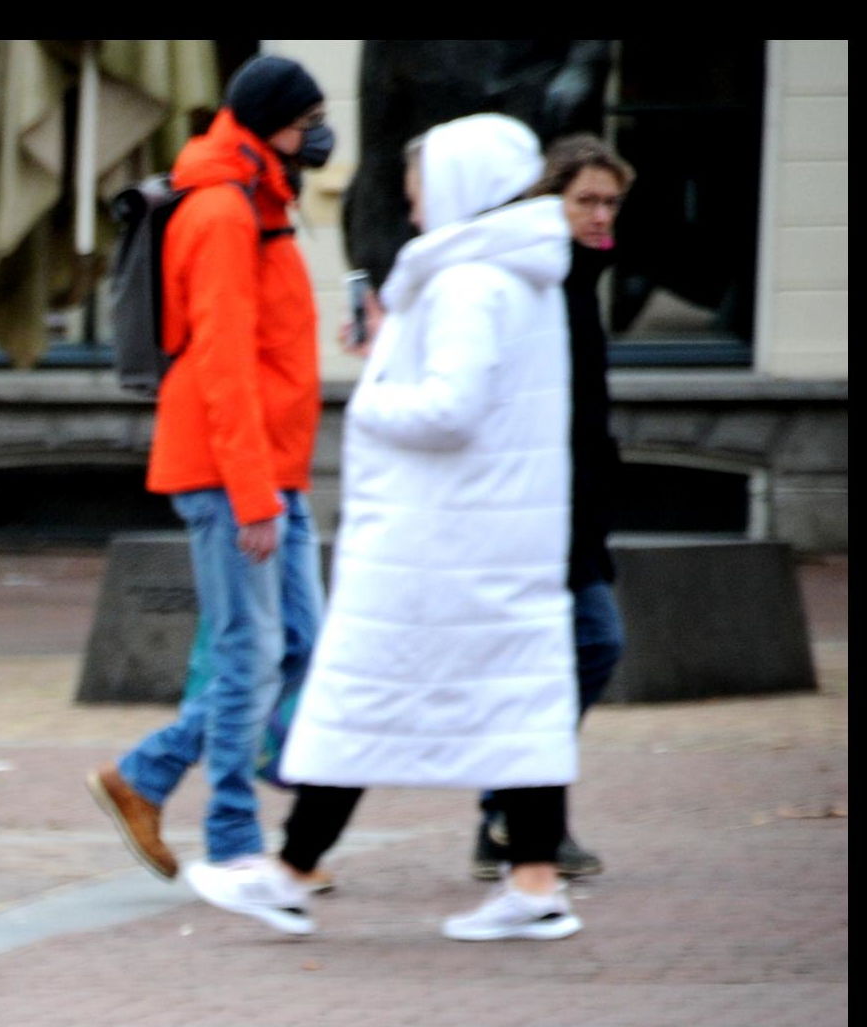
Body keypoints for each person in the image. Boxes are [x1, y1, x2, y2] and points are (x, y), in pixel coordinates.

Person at [203, 114, 582, 943]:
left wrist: (372, 395)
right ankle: (533, 882)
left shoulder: (467, 283)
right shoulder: (520, 275)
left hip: (437, 540)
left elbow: (450, 408)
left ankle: (291, 871)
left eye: (420, 192)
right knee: (514, 708)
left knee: (360, 697)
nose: (414, 210)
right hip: (494, 533)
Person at [87, 55, 334, 891]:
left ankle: (146, 774)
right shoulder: (225, 210)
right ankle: (233, 838)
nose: (318, 137)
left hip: (268, 470)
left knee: (296, 645)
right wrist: (255, 493)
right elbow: (223, 363)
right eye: (306, 123)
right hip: (235, 474)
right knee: (250, 653)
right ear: (270, 125)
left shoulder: (258, 198)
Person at [473, 133, 632, 882]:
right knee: (588, 646)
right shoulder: (537, 287)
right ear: (549, 202)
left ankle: (509, 819)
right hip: (537, 515)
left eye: (611, 203)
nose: (602, 216)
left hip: (575, 515)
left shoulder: (579, 282)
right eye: (586, 201)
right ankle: (515, 818)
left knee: (575, 655)